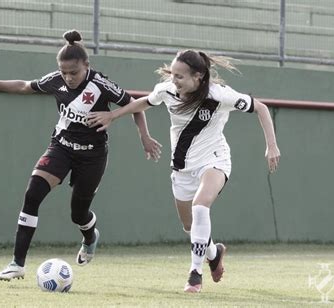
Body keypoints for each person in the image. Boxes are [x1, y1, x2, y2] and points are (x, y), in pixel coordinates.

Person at [0, 29, 162, 281]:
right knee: (32, 193)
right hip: (61, 147)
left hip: (92, 156)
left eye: (74, 72)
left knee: (78, 214)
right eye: (63, 72)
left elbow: (136, 105)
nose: (68, 77)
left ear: (86, 66)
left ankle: (90, 235)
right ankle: (17, 264)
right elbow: (25, 86)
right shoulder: (55, 80)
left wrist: (144, 137)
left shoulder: (101, 85)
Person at [87, 49, 281, 293]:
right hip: (182, 167)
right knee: (191, 227)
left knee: (201, 206)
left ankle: (195, 274)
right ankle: (214, 252)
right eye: (173, 74)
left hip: (215, 160)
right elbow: (145, 102)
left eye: (180, 76)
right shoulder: (167, 90)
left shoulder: (219, 95)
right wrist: (112, 115)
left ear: (198, 77)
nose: (174, 80)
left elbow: (261, 108)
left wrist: (271, 146)